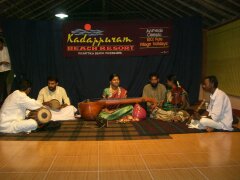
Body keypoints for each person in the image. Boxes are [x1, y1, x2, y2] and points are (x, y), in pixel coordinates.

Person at [0, 38, 11, 104]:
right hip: (0, 70)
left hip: (7, 69)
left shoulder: (6, 49)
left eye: (0, 43)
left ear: (2, 43)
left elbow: (9, 60)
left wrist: (5, 62)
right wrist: (2, 62)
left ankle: (4, 99)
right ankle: (5, 99)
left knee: (2, 84)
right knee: (3, 84)